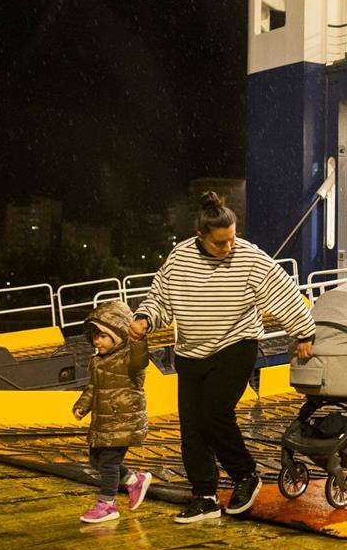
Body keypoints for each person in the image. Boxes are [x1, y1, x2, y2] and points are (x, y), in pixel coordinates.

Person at [130, 192, 316, 523]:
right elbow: (160, 297)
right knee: (192, 427)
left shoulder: (248, 258)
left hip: (236, 343)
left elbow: (281, 291)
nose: (229, 247)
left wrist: (303, 331)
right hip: (190, 352)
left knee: (215, 414)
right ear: (201, 236)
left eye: (232, 238)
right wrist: (145, 318)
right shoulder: (180, 258)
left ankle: (246, 475)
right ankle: (205, 496)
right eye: (220, 243)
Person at [73, 301, 153, 524]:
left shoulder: (129, 358)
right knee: (95, 460)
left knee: (108, 464)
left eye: (102, 336)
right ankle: (133, 479)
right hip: (103, 421)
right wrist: (83, 405)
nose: (97, 342)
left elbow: (141, 358)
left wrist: (138, 340)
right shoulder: (98, 361)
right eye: (94, 337)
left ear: (117, 336)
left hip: (123, 419)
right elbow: (93, 387)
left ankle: (107, 504)